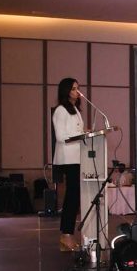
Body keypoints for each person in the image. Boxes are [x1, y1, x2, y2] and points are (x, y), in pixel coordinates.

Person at [51, 77, 85, 251]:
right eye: (73, 89)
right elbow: (60, 136)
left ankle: (67, 235)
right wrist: (81, 136)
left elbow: (77, 131)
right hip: (68, 158)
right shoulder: (60, 111)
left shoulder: (76, 110)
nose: (77, 92)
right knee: (71, 197)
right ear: (66, 91)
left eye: (78, 88)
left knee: (75, 197)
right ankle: (66, 235)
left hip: (78, 157)